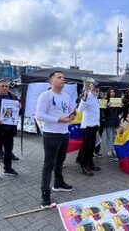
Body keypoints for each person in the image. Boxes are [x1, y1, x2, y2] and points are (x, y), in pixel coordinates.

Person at [35, 71, 75, 208]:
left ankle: (58, 183)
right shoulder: (45, 95)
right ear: (51, 81)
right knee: (49, 164)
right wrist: (59, 119)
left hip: (64, 133)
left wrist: (72, 115)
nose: (63, 79)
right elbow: (39, 115)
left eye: (63, 77)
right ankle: (45, 194)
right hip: (51, 134)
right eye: (59, 77)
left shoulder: (66, 96)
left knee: (60, 161)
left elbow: (70, 111)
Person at [78, 80, 101, 176]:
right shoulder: (87, 96)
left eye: (97, 87)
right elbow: (80, 110)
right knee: (86, 148)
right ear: (90, 87)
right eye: (94, 86)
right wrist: (83, 100)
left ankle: (90, 164)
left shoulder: (95, 97)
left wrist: (98, 124)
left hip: (94, 125)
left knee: (92, 147)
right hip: (87, 126)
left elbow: (96, 112)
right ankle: (84, 166)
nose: (96, 88)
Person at [104, 88, 121, 161]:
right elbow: (104, 112)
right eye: (111, 92)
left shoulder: (117, 101)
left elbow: (119, 112)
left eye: (113, 92)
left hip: (116, 120)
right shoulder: (106, 101)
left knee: (115, 136)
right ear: (108, 93)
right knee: (109, 136)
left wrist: (120, 106)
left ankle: (114, 149)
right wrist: (106, 106)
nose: (113, 93)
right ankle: (109, 150)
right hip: (108, 121)